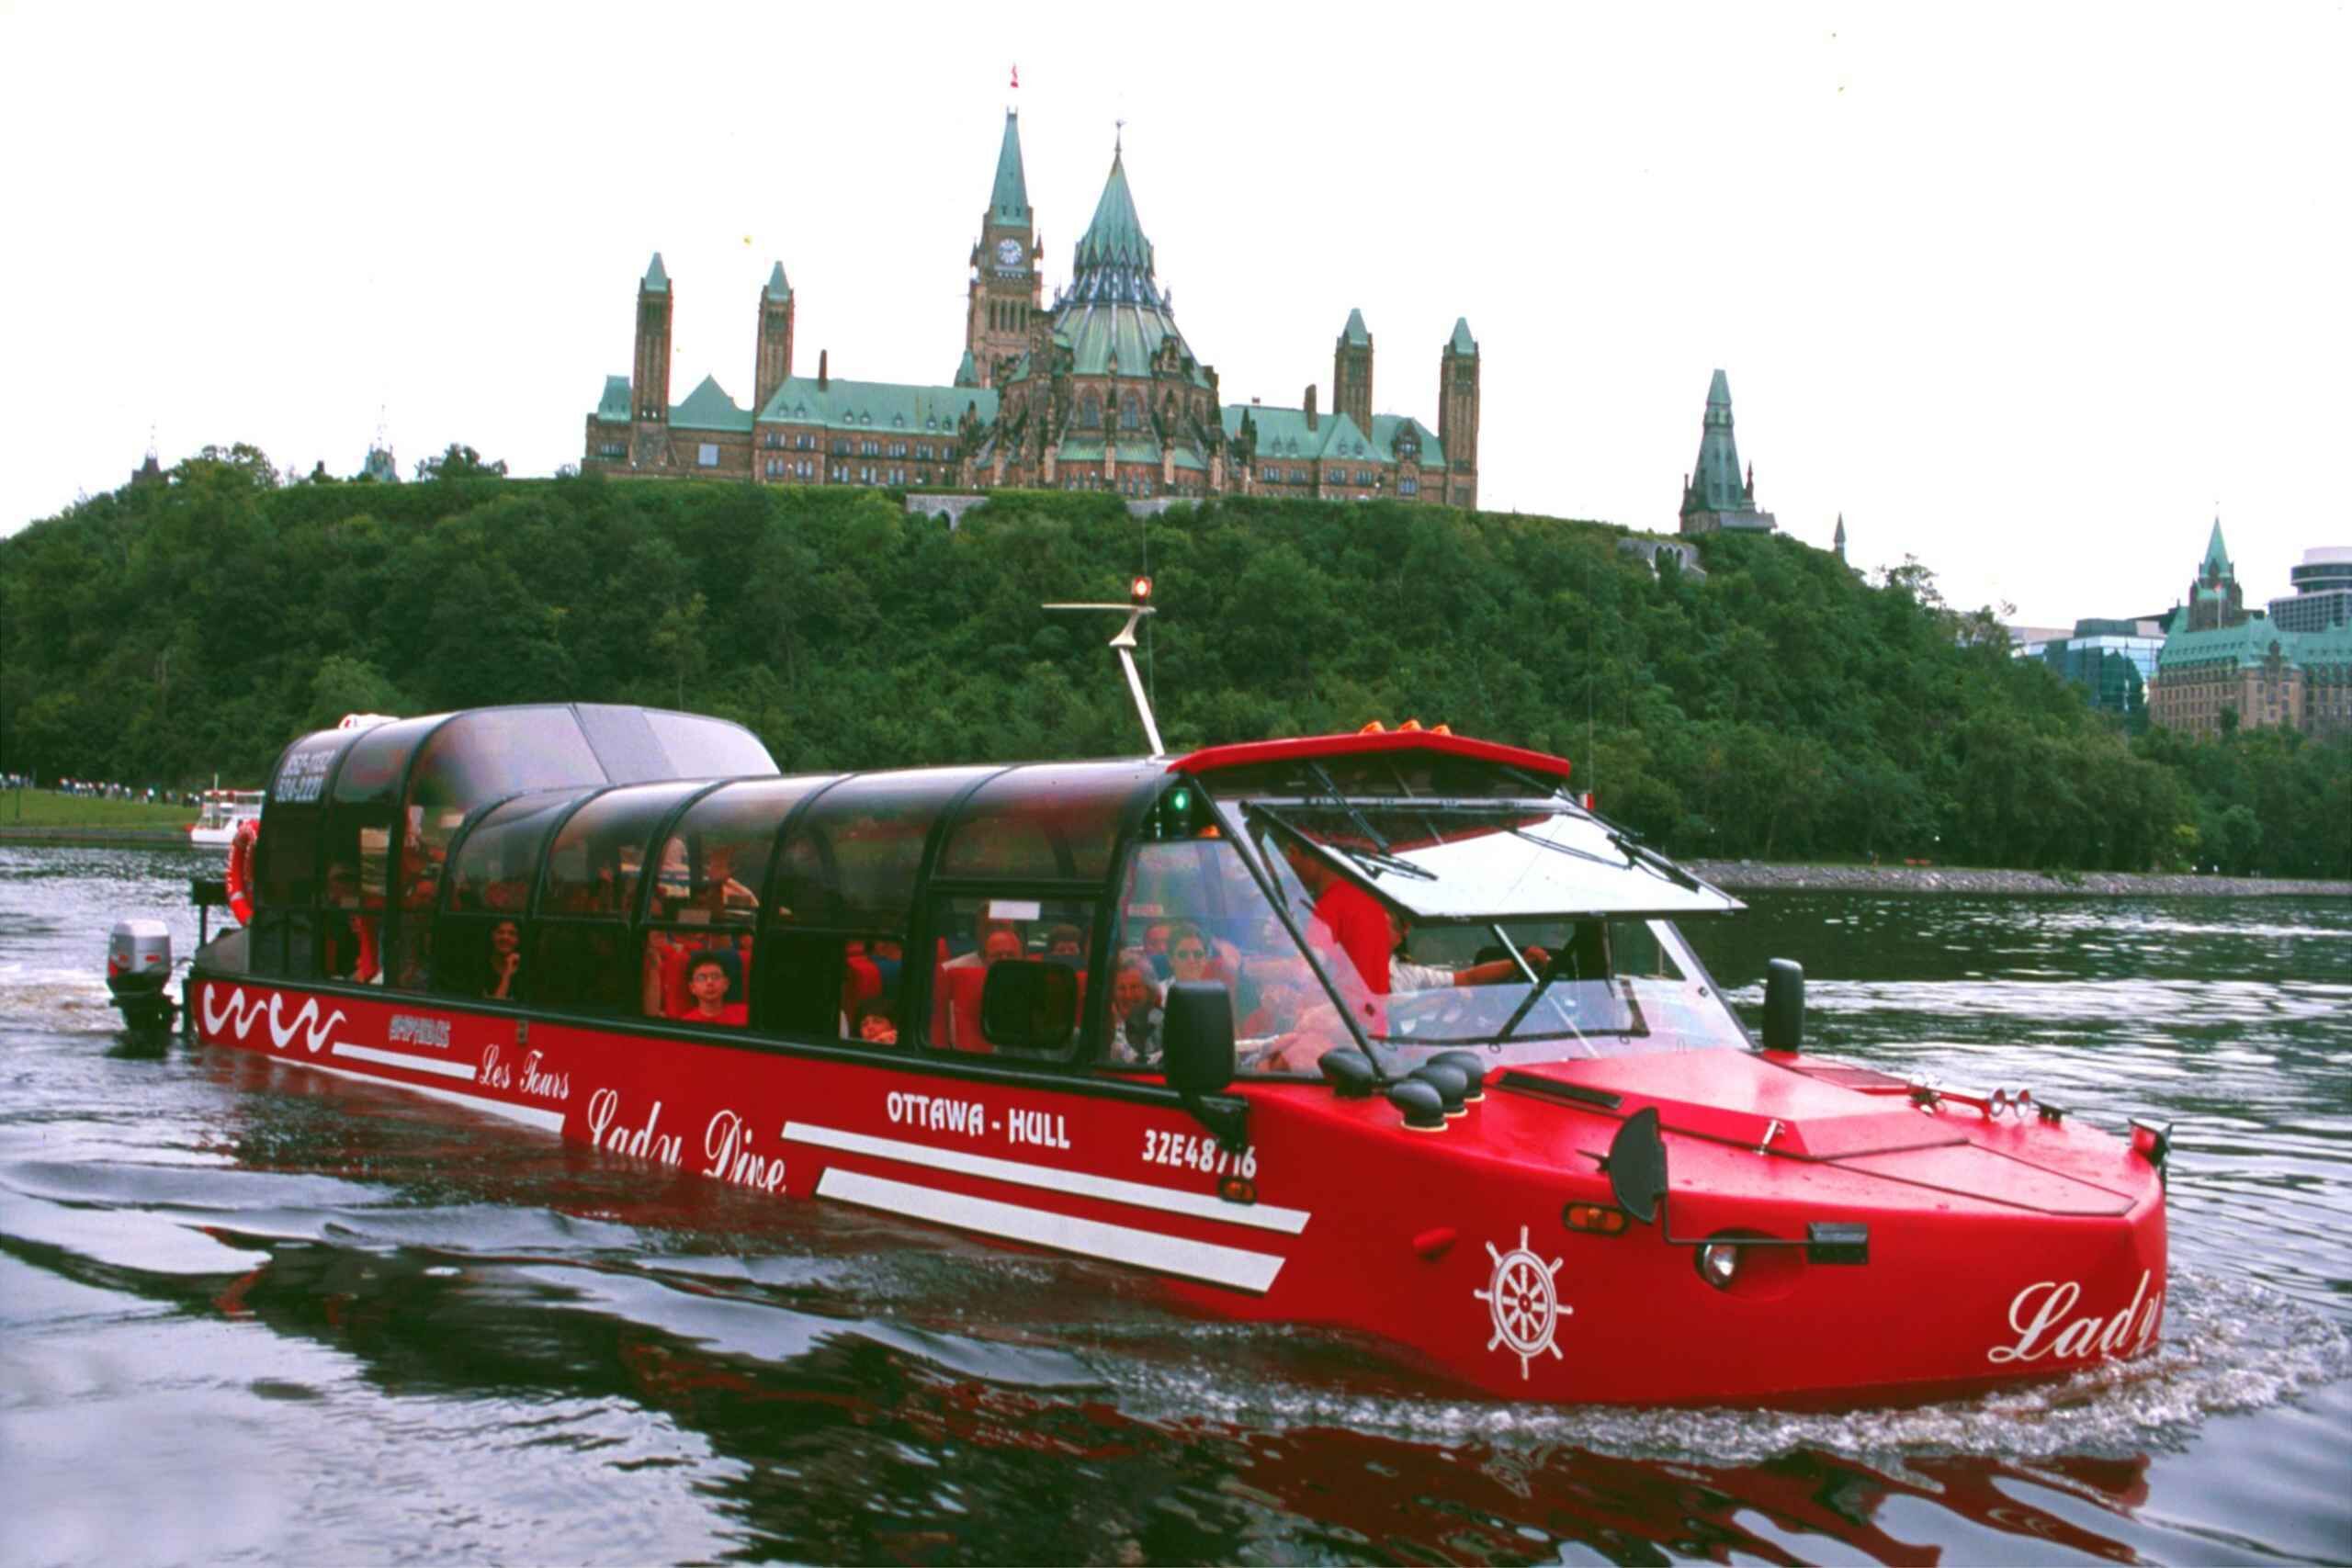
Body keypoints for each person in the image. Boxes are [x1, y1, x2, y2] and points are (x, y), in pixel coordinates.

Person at [1104, 954, 1163, 1066]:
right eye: (1121, 988)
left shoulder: (1160, 1024)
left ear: (1150, 991)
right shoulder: (1104, 1027)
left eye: (1134, 987)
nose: (1128, 995)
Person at [669, 950, 747, 1027]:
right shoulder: (685, 1024)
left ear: (726, 984)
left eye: (715, 976)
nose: (709, 982)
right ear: (692, 988)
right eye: (702, 978)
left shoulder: (746, 1014)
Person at [484, 919, 523, 1000]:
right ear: (492, 936)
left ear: (518, 940)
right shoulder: (480, 966)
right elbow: (495, 1007)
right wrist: (507, 974)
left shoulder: (526, 971)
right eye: (500, 932)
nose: (505, 937)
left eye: (512, 934)